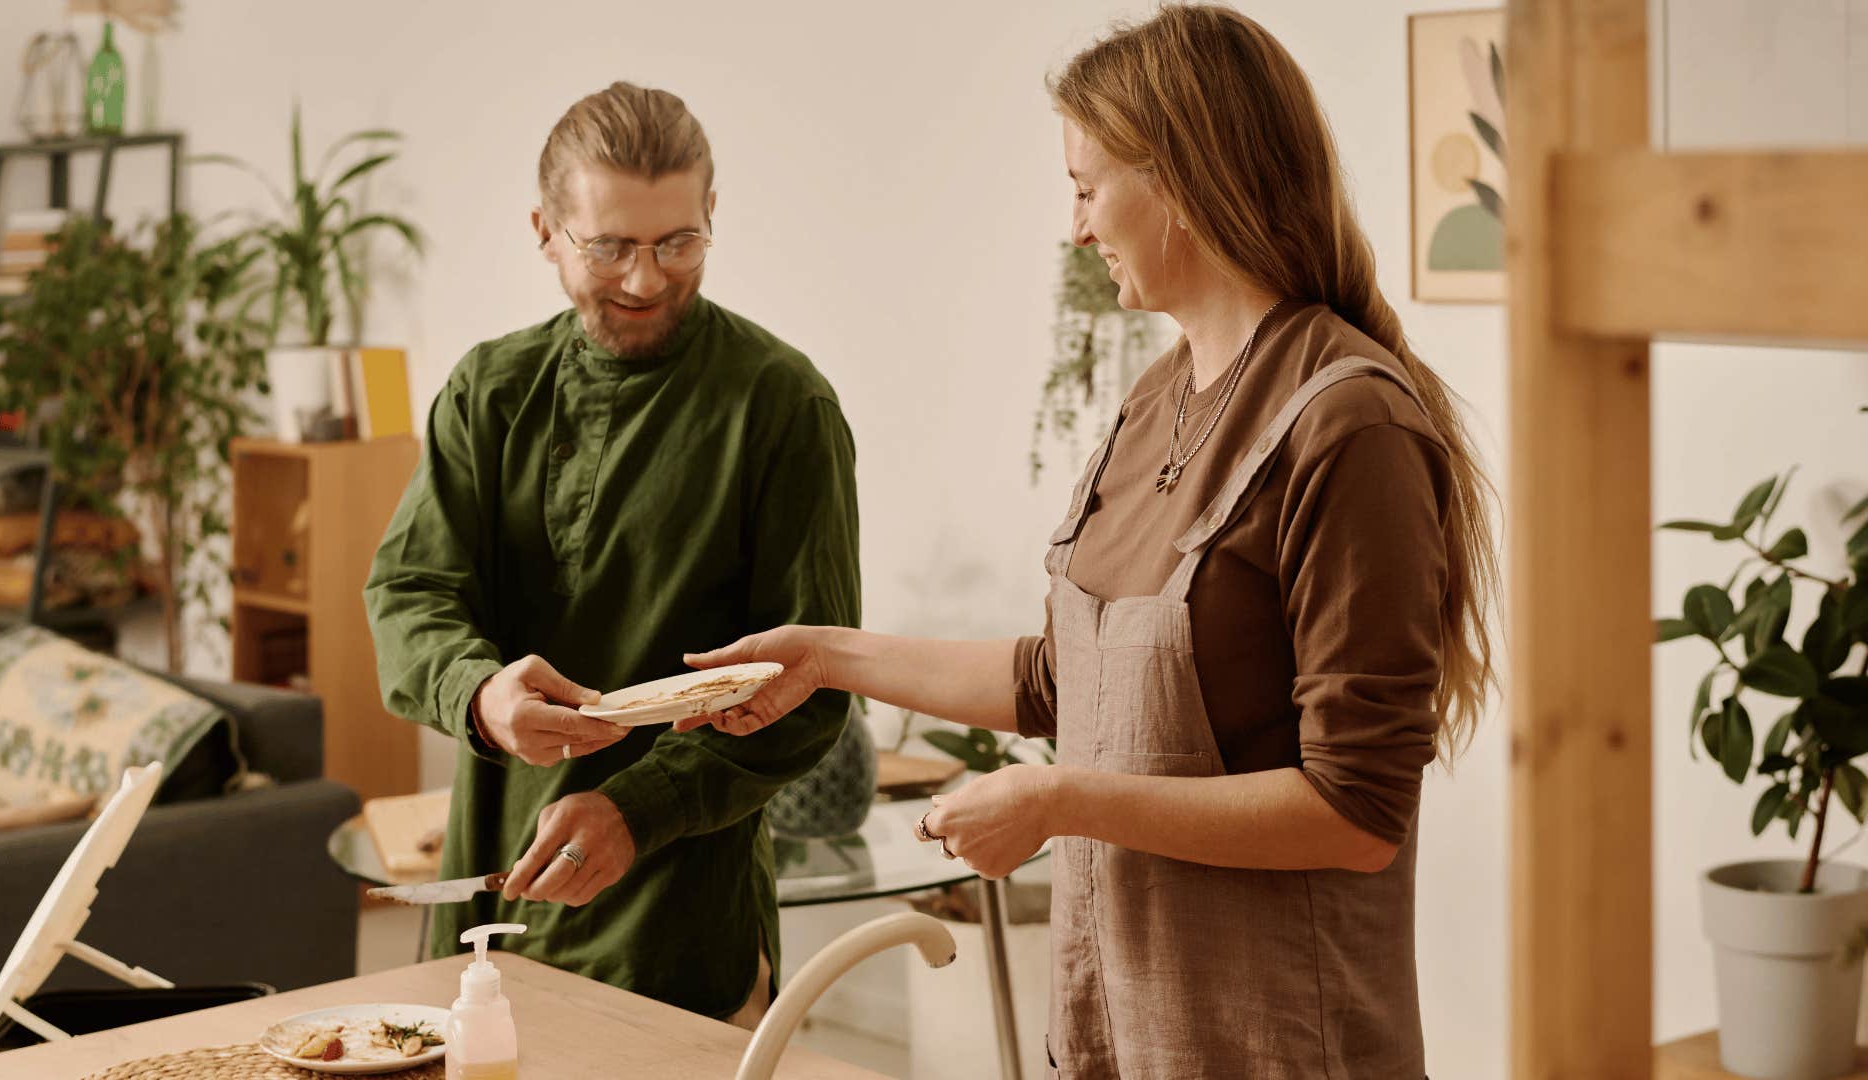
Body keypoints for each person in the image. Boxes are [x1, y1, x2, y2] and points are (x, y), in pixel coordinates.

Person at [680, 6, 1498, 1075]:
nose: (1075, 228)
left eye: (1085, 186)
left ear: (1186, 181)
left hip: (1278, 1046)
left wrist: (1064, 800)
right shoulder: (1154, 399)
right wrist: (830, 657)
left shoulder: (1352, 426)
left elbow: (1356, 812)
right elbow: (1072, 681)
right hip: (1120, 1032)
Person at [363, 81, 861, 1028]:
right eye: (611, 247)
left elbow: (814, 691)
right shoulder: (488, 392)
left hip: (681, 925)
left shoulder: (783, 408)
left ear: (713, 214)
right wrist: (478, 692)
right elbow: (408, 592)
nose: (645, 279)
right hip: (489, 894)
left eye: (679, 241)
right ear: (545, 231)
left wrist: (640, 808)